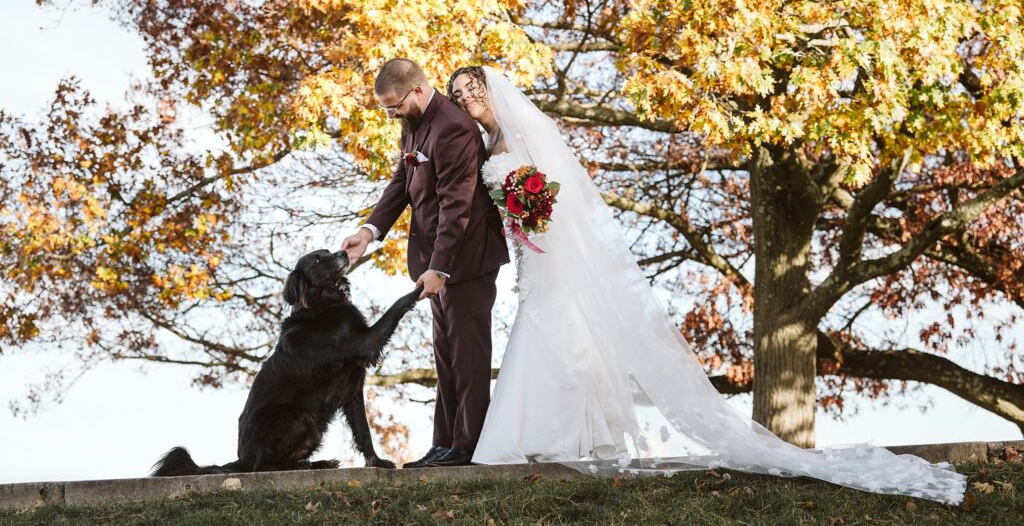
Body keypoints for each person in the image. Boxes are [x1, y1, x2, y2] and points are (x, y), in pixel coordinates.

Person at [444, 65, 966, 504]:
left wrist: (530, 210)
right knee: (554, 332)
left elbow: (558, 197)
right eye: (460, 94)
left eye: (474, 89)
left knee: (558, 331)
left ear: (493, 89)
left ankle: (543, 437)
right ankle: (573, 436)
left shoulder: (526, 133)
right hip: (529, 253)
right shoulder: (489, 142)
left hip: (551, 251)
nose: (469, 98)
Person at [341, 59, 509, 468]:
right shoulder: (414, 121)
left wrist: (441, 267)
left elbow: (457, 204)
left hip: (465, 258)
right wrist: (369, 232)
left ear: (416, 91)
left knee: (467, 353)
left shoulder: (453, 128)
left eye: (394, 106)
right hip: (435, 262)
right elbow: (402, 180)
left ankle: (467, 447)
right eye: (386, 109)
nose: (392, 114)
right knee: (446, 354)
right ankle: (445, 442)